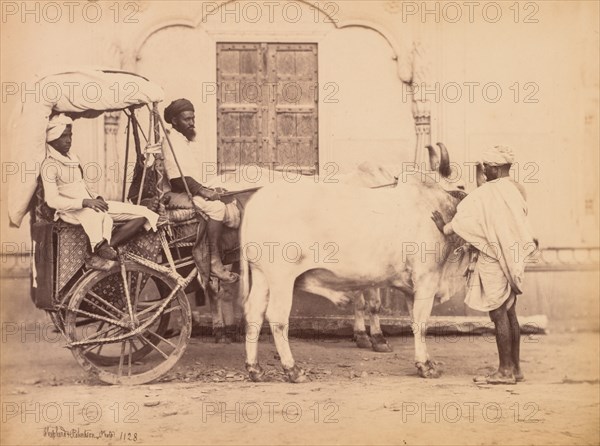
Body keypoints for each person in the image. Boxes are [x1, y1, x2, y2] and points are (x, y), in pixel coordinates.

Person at [431, 145, 536, 384]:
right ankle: (516, 369)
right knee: (510, 312)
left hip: (494, 259)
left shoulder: (486, 193)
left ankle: (505, 371)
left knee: (498, 314)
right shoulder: (516, 189)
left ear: (496, 169)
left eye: (486, 167)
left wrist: (443, 227)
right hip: (513, 259)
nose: (484, 171)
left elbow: (462, 221)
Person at [41, 114, 160, 270]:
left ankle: (107, 246)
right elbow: (52, 200)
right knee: (96, 216)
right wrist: (84, 202)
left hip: (90, 205)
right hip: (71, 210)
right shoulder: (49, 165)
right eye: (63, 136)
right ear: (52, 138)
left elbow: (84, 185)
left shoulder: (73, 158)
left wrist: (96, 197)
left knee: (143, 213)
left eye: (70, 135)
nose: (68, 140)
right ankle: (98, 249)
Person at [161, 98, 238, 283]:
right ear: (174, 121)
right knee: (217, 208)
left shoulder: (183, 141)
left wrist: (208, 188)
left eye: (193, 118)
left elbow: (189, 176)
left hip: (186, 190)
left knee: (229, 195)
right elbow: (177, 180)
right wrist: (204, 192)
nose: (192, 123)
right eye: (187, 119)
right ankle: (214, 261)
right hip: (172, 195)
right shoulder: (171, 142)